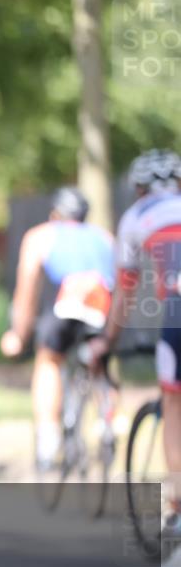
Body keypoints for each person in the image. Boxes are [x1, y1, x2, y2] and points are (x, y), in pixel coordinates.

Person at [89, 148, 181, 545]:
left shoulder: (136, 217)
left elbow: (125, 293)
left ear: (138, 188)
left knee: (174, 405)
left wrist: (107, 342)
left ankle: (177, 511)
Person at [0, 186, 116, 469]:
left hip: (67, 307)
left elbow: (26, 290)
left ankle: (48, 438)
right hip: (103, 309)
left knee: (49, 360)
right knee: (98, 364)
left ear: (55, 214)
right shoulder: (105, 238)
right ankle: (108, 424)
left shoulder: (41, 236)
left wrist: (19, 333)